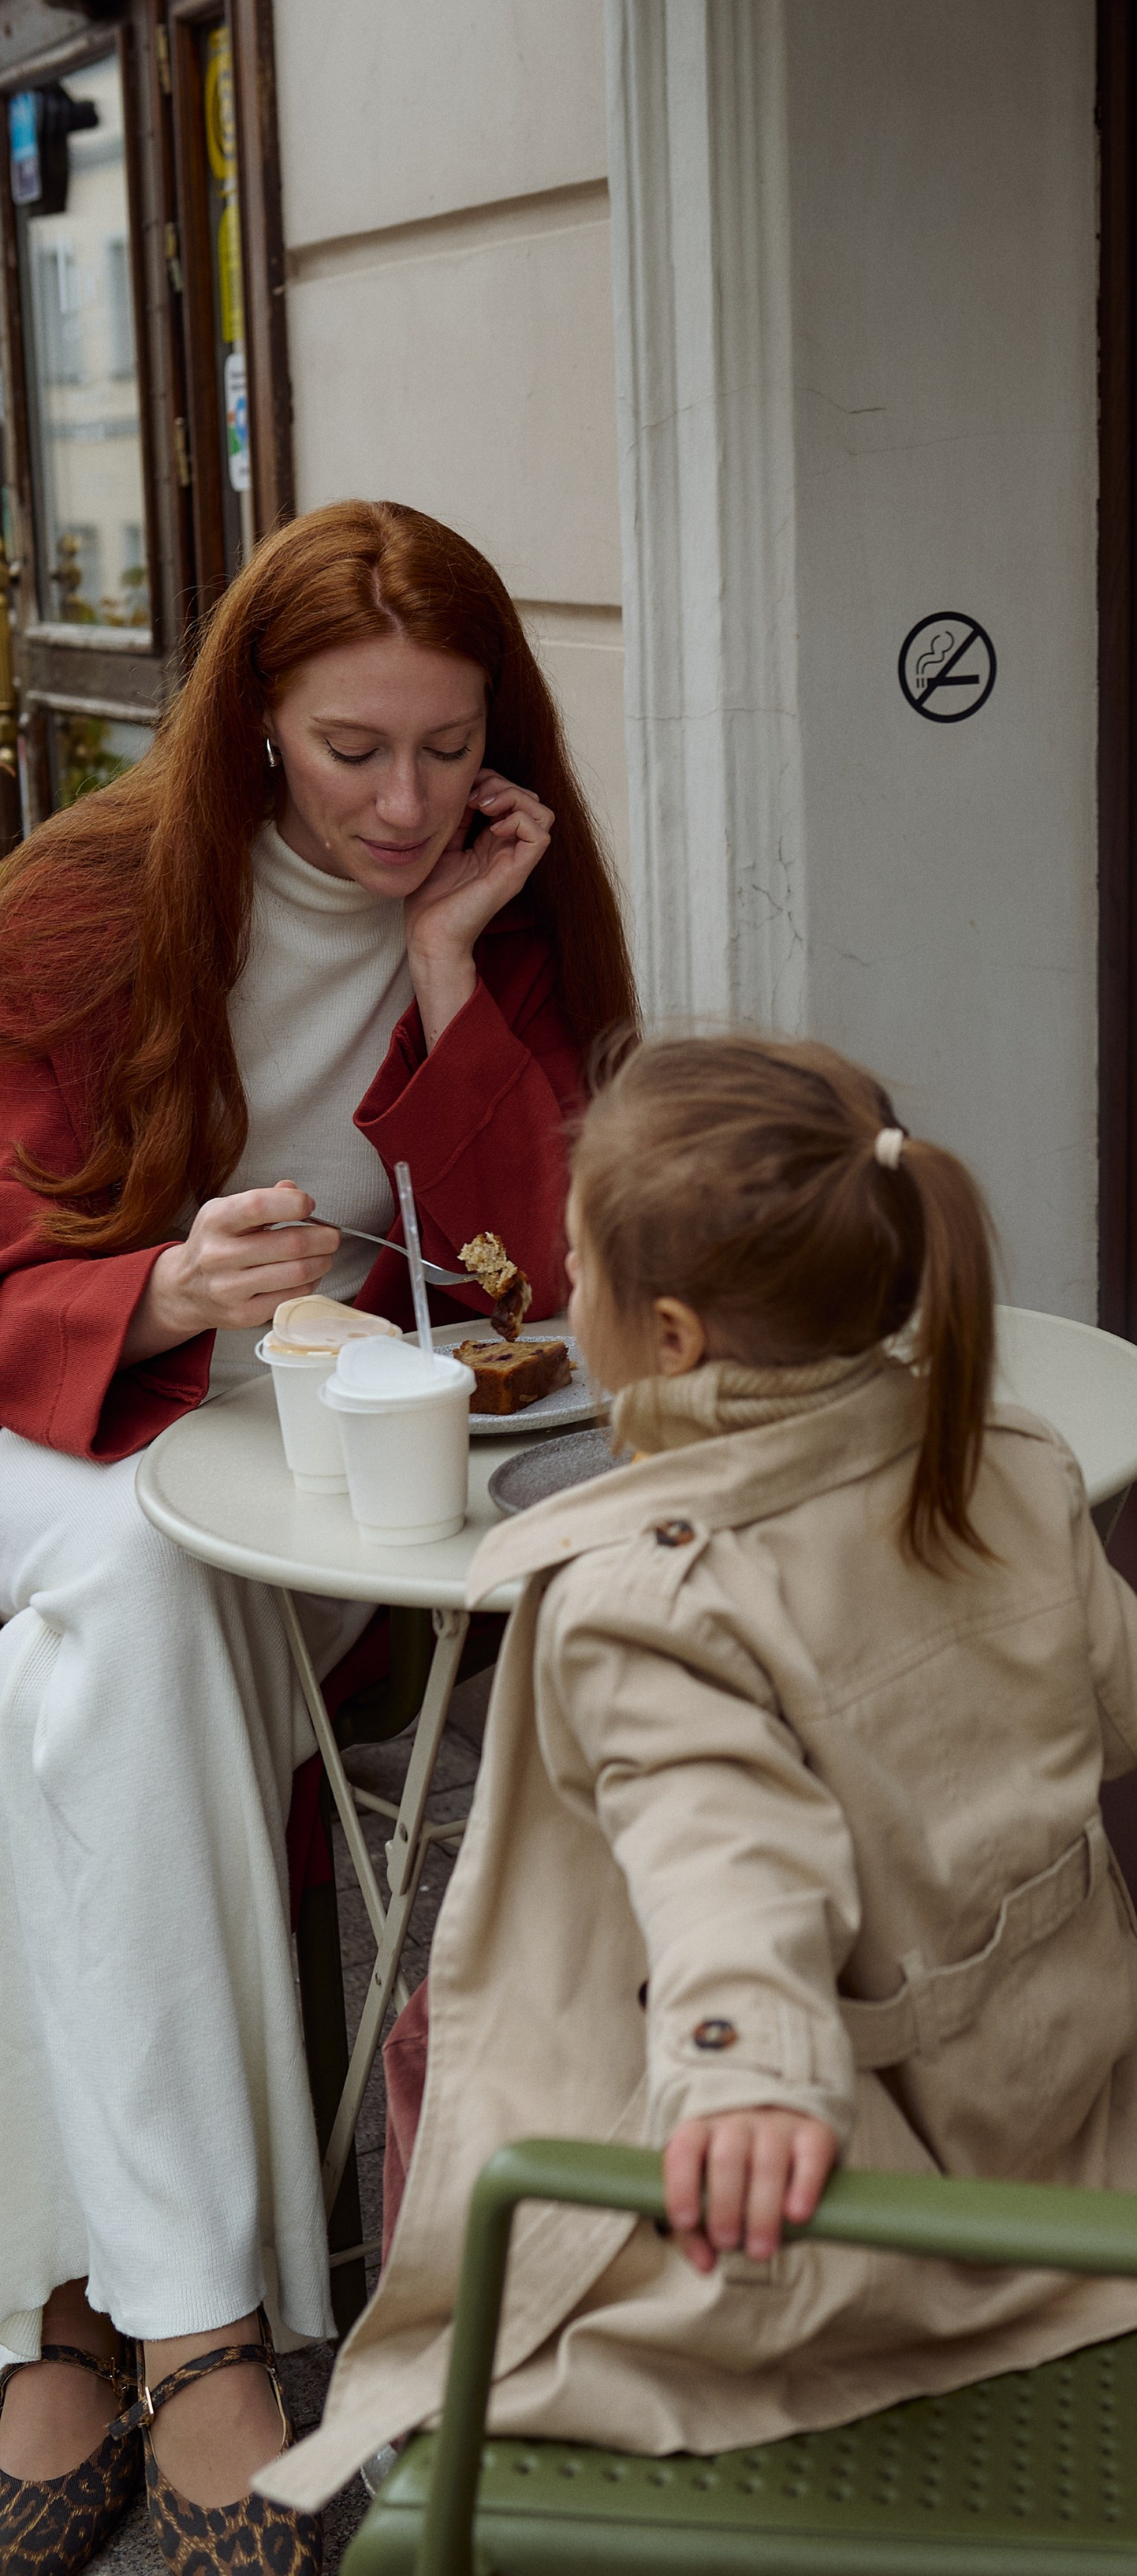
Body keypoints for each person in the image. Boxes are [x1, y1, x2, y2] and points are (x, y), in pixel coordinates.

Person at [267, 1037, 1137, 2508]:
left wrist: (750, 2075)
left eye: (573, 1266)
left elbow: (730, 1850)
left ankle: (435, 2428)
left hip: (857, 2183)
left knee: (439, 2036)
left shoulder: (656, 1591)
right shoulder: (1013, 1455)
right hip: (1060, 2100)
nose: (559, 1291)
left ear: (669, 1336)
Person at [0, 502, 635, 2576]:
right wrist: (157, 1299)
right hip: (59, 1402)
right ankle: (207, 2339)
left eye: (449, 745)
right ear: (255, 724)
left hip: (281, 1465)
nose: (405, 799)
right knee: (105, 1582)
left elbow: (528, 1300)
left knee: (87, 1658)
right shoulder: (88, 911)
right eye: (353, 748)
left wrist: (448, 986)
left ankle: (64, 2315)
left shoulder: (505, 909)